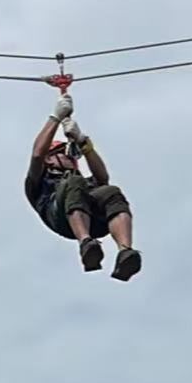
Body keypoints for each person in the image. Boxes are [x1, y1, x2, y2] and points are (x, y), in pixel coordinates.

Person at [25, 95, 143, 279]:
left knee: (110, 191)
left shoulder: (84, 184)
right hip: (62, 219)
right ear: (50, 159)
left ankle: (125, 251)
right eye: (64, 155)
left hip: (96, 221)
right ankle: (86, 243)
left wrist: (83, 142)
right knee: (74, 182)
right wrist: (56, 117)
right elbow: (38, 154)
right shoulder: (39, 182)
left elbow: (102, 178)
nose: (71, 158)